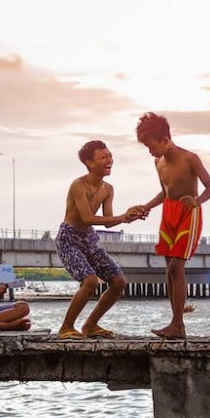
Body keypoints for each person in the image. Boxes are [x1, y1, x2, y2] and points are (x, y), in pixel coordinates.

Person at [134, 112, 210, 339]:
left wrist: (197, 201)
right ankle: (175, 324)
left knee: (175, 268)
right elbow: (165, 191)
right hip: (168, 213)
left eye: (152, 146)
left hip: (188, 212)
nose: (150, 152)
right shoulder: (157, 162)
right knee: (169, 270)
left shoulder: (190, 158)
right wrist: (146, 206)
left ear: (165, 140)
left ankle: (178, 324)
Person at [54, 140, 144, 340]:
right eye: (103, 157)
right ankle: (66, 327)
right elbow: (87, 218)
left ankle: (91, 324)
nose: (109, 160)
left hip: (89, 238)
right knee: (90, 281)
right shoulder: (79, 185)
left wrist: (130, 216)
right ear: (89, 162)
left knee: (119, 281)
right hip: (69, 238)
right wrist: (122, 216)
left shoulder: (108, 189)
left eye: (110, 156)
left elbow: (109, 222)